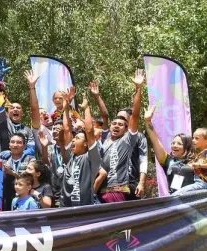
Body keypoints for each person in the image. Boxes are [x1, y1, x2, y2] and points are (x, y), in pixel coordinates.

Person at [98, 69, 144, 203]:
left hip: (118, 192)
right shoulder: (105, 139)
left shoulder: (127, 141)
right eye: (114, 123)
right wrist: (96, 97)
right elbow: (104, 115)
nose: (116, 126)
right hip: (100, 191)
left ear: (126, 129)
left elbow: (135, 115)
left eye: (121, 124)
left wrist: (138, 88)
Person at [60, 98, 106, 207]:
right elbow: (66, 129)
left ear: (86, 143)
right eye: (74, 138)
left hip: (84, 210)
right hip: (65, 209)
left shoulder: (91, 158)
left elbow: (89, 132)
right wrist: (66, 109)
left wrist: (86, 108)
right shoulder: (70, 156)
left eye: (77, 138)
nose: (73, 140)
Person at [144, 105, 195, 194]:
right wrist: (148, 121)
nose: (174, 146)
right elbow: (155, 140)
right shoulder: (167, 160)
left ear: (187, 147)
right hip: (175, 202)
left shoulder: (197, 161)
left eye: (179, 143)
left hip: (195, 202)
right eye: (173, 143)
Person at [0, 133, 36, 211]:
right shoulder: (2, 160)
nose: (15, 145)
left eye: (19, 142)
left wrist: (12, 173)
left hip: (25, 200)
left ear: (25, 146)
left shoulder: (31, 160)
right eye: (12, 142)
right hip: (6, 198)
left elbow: (29, 180)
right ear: (9, 145)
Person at [40, 120, 66, 206]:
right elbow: (45, 162)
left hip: (68, 188)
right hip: (54, 189)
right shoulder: (50, 148)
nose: (55, 131)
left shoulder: (71, 147)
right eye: (54, 129)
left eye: (58, 129)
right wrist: (44, 147)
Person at [178, 128, 207, 193]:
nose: (193, 140)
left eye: (196, 138)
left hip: (203, 183)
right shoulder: (200, 154)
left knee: (178, 194)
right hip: (198, 182)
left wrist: (198, 165)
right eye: (193, 138)